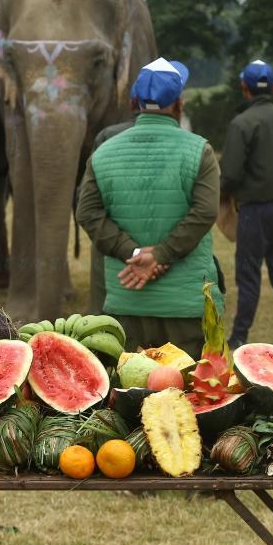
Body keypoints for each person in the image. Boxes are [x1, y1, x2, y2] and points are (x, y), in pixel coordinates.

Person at [76, 57, 224, 360]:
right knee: (193, 395)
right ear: (179, 103)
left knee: (128, 395)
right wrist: (159, 255)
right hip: (187, 304)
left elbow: (87, 213)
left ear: (134, 102)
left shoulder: (103, 153)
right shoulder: (200, 150)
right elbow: (205, 213)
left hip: (125, 301)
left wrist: (134, 253)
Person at [220, 60, 273, 349]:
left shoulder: (241, 123)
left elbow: (229, 173)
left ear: (245, 88)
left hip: (253, 210)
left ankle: (240, 335)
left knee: (248, 272)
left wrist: (217, 195)